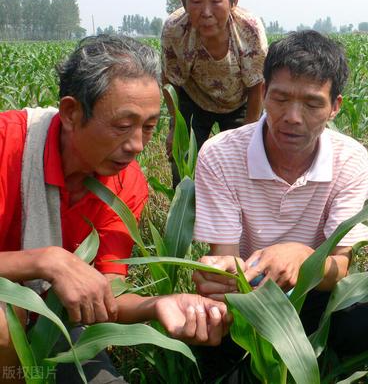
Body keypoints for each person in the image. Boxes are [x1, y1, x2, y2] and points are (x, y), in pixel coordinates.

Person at [0, 35, 229, 383]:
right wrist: (45, 261)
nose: (137, 145)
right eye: (123, 126)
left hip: (53, 323)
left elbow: (107, 293)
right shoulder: (8, 146)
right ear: (72, 113)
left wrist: (158, 305)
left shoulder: (125, 184)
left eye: (149, 127)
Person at [191, 30, 368, 378]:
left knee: (361, 321)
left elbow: (340, 265)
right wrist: (224, 278)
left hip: (315, 288)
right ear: (264, 94)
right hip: (248, 290)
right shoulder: (220, 153)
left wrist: (302, 258)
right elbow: (225, 259)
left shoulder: (350, 158)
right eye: (280, 99)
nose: (293, 117)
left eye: (312, 104)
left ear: (335, 106)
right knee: (209, 329)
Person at [162, 0, 268, 187]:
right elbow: (170, 82)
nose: (206, 12)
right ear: (183, 1)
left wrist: (250, 136)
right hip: (194, 99)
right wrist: (174, 126)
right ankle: (184, 216)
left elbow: (256, 86)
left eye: (216, 0)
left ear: (233, 0)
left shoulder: (249, 30)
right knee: (182, 161)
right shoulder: (175, 29)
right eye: (197, 1)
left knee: (243, 166)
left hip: (239, 102)